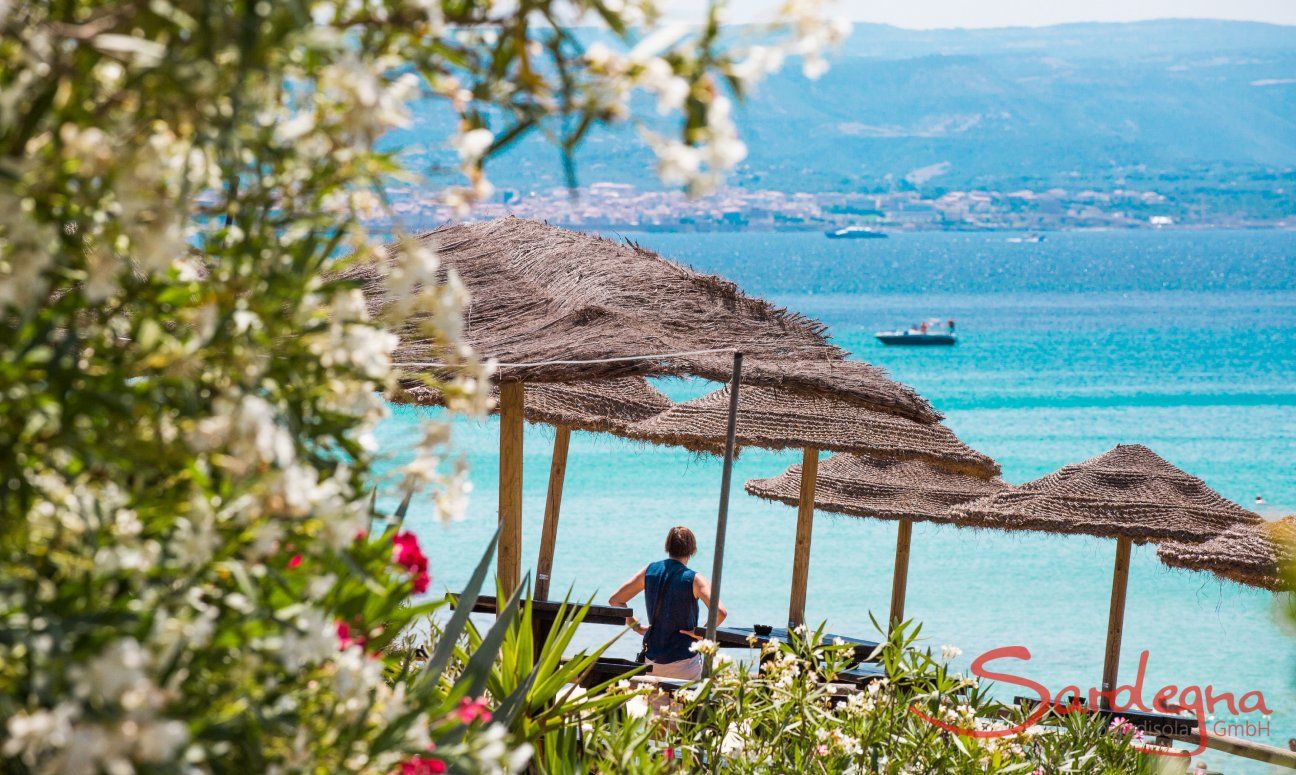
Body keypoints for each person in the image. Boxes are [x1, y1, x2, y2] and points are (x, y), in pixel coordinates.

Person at [609, 526, 727, 681]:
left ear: (668, 547)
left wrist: (635, 626)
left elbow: (616, 600)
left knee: (655, 706)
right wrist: (699, 633)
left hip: (652, 660)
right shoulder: (695, 579)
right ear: (692, 550)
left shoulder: (649, 571)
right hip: (685, 661)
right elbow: (720, 612)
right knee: (687, 704)